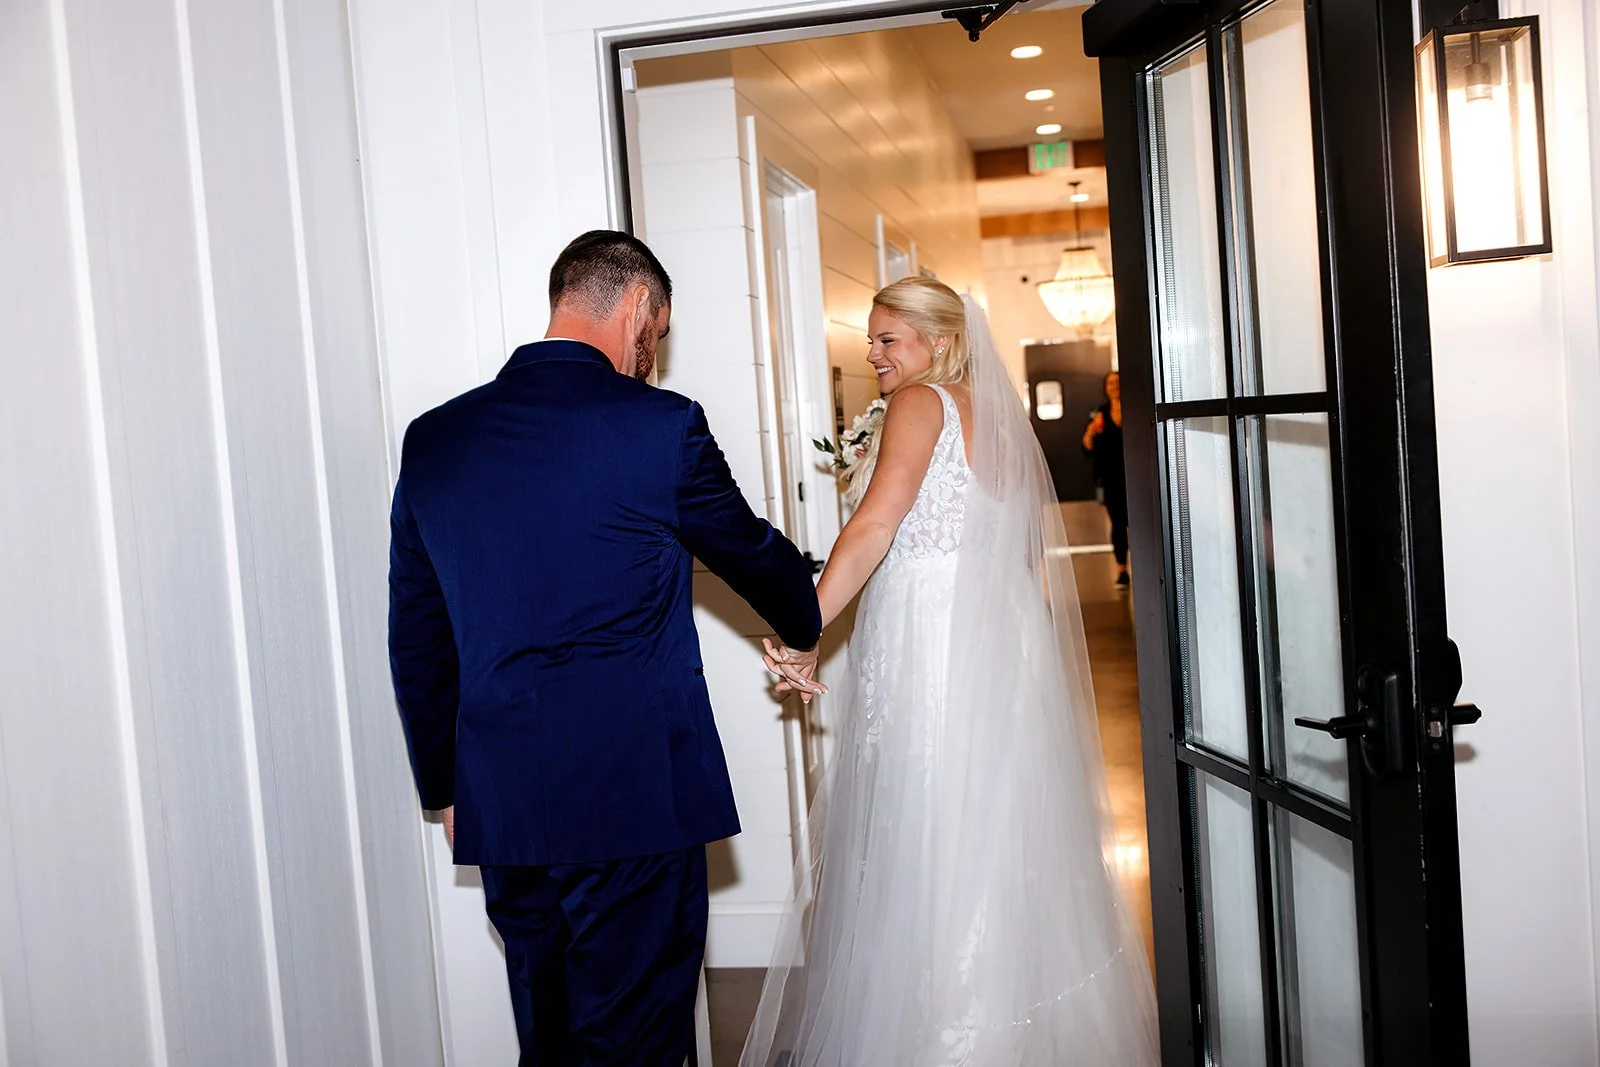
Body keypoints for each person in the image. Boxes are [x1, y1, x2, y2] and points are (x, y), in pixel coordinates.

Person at [388, 230, 822, 1065]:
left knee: (548, 1036)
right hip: (636, 797)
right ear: (636, 305)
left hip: (506, 804)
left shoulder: (435, 438)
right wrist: (805, 613)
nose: (654, 352)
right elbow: (750, 554)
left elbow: (417, 632)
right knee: (638, 1042)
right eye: (659, 329)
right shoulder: (660, 427)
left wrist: (445, 787)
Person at [747, 279, 1158, 1065]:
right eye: (871, 340)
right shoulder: (998, 418)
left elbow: (874, 525)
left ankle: (951, 1033)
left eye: (887, 339)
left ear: (938, 340)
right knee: (994, 837)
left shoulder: (919, 403)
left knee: (932, 832)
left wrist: (805, 629)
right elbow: (1022, 554)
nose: (873, 354)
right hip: (1005, 654)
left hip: (935, 653)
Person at [1082, 370, 1129, 586]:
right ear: (1106, 388)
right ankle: (1122, 569)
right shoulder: (1099, 414)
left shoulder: (1134, 407)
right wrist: (1090, 432)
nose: (1115, 386)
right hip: (1112, 478)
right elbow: (1087, 448)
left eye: (1118, 382)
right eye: (1111, 383)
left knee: (1138, 522)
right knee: (1118, 524)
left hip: (1135, 475)